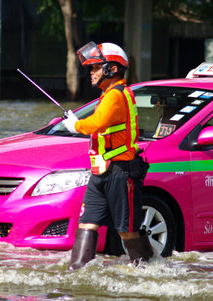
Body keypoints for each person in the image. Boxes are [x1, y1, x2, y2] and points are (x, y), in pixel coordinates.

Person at [63, 41, 153, 270]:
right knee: (87, 223)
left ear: (111, 69)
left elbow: (97, 123)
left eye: (95, 68)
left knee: (126, 230)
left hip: (121, 172)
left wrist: (76, 125)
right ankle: (78, 272)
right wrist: (78, 123)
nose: (91, 73)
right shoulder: (107, 95)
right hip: (101, 172)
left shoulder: (116, 94)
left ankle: (149, 271)